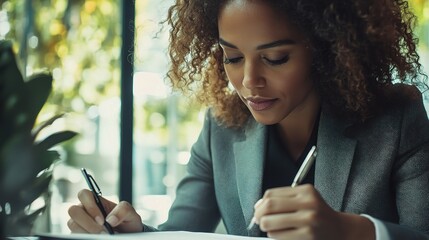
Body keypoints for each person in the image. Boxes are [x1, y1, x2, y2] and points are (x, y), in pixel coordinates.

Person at [67, 0, 429, 239]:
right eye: (233, 58)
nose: (248, 82)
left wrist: (350, 231)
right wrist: (131, 233)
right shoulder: (221, 126)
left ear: (329, 49)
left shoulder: (395, 117)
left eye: (275, 58)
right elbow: (181, 233)